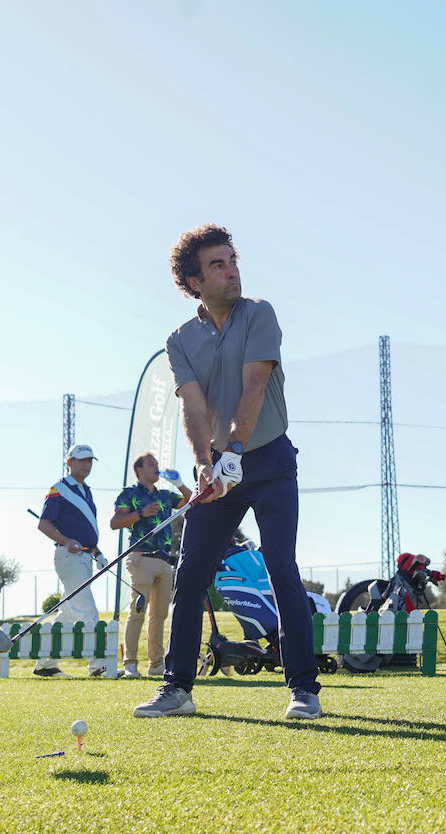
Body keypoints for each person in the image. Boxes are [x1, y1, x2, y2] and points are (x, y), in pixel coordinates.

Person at [134, 224, 323, 720]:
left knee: (281, 566)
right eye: (217, 265)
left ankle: (304, 689)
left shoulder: (259, 313)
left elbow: (254, 387)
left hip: (269, 460)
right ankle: (176, 688)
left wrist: (235, 450)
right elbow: (193, 410)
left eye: (232, 260)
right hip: (218, 467)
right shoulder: (180, 340)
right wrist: (204, 464)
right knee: (191, 572)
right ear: (194, 282)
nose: (231, 270)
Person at [109, 451, 190, 678]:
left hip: (165, 562)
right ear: (139, 470)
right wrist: (140, 513)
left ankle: (156, 665)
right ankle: (130, 664)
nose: (156, 466)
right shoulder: (129, 494)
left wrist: (180, 483)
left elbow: (192, 501)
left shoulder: (166, 495)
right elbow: (115, 523)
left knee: (160, 616)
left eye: (157, 463)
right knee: (138, 611)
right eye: (151, 463)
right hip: (140, 558)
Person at [35, 443, 113, 678]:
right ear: (69, 463)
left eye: (90, 460)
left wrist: (98, 553)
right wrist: (66, 540)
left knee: (67, 613)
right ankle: (98, 664)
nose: (87, 464)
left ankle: (45, 664)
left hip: (86, 556)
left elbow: (85, 529)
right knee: (86, 608)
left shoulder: (86, 491)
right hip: (69, 556)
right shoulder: (58, 489)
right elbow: (44, 524)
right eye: (82, 460)